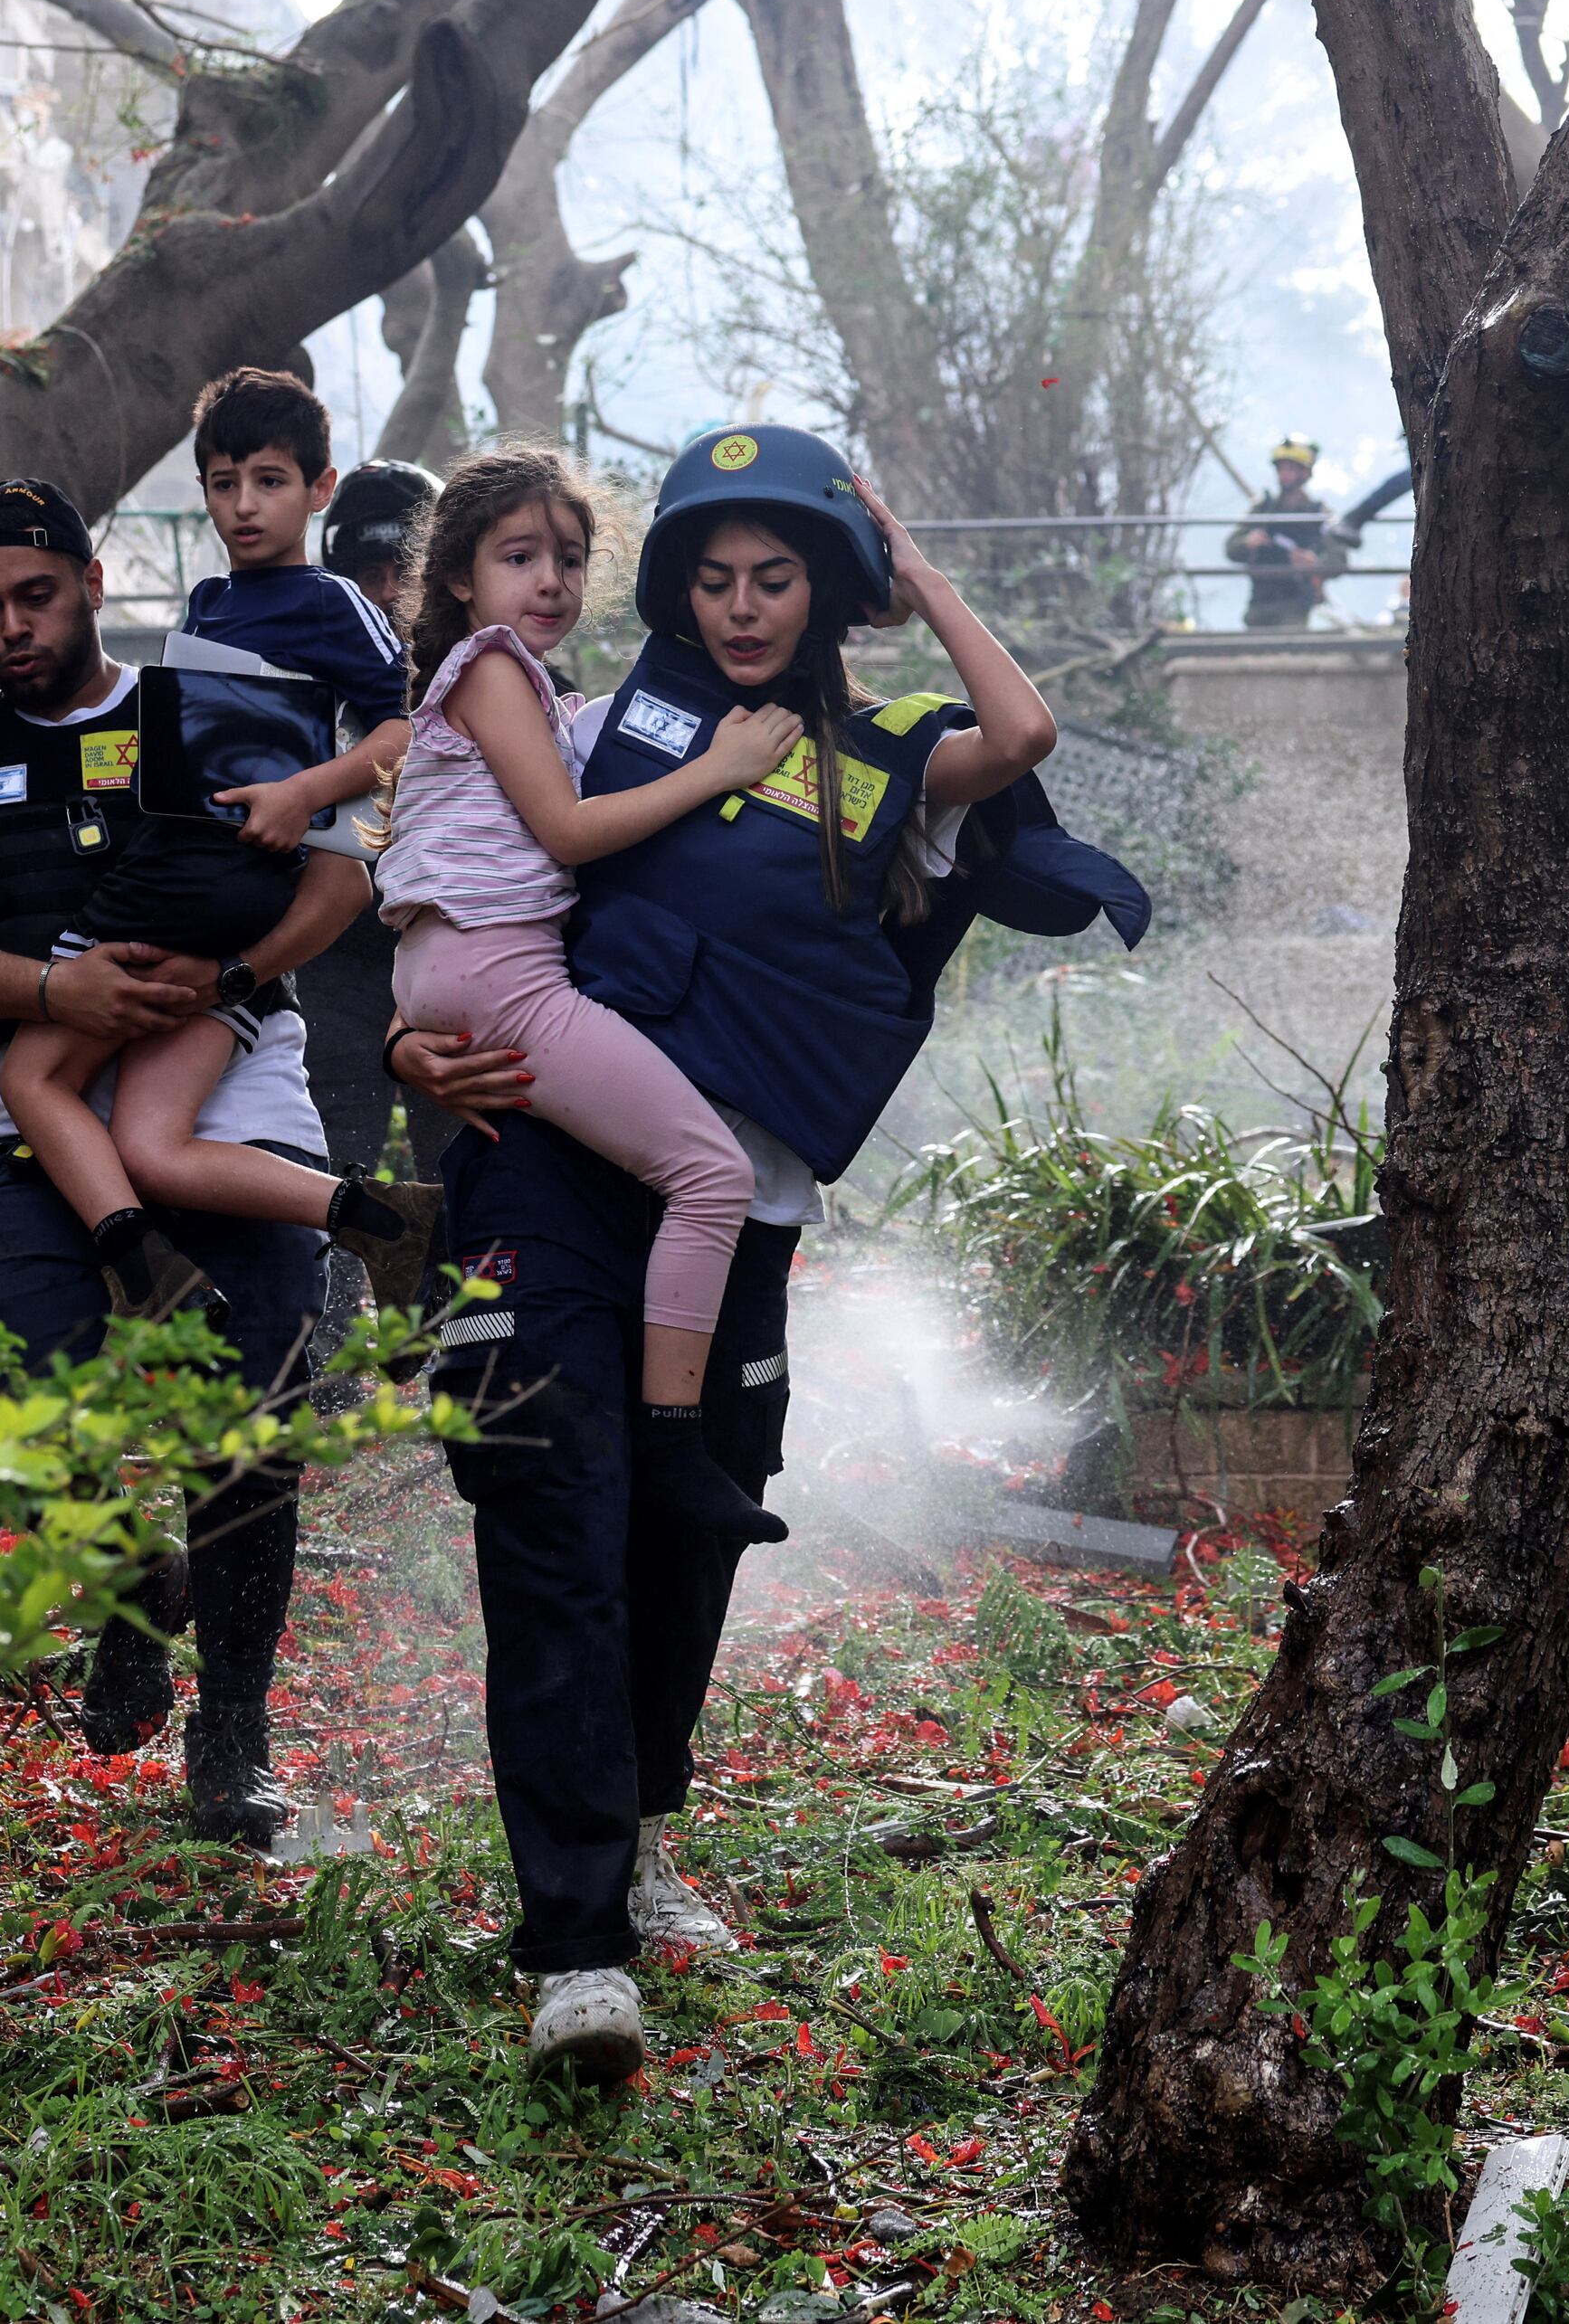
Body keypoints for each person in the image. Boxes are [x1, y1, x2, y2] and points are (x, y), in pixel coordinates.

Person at [386, 425, 1153, 2078]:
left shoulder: (887, 763)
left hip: (738, 1218)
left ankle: (643, 1837)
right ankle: (575, 1947)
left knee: (687, 1538)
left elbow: (1019, 732)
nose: (745, 608)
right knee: (555, 1523)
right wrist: (405, 1055)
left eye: (782, 575)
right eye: (717, 577)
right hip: (547, 1172)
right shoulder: (603, 724)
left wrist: (914, 558)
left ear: (830, 590)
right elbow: (463, 878)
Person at [0, 474, 374, 1845]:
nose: (15, 628)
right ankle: (131, 1576)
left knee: (249, 1418)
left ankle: (236, 1741)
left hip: (235, 1110)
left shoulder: (200, 701)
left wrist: (236, 969)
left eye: (37, 595)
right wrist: (54, 992)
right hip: (40, 1133)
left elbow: (342, 875)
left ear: (94, 577)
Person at [376, 447, 804, 1542]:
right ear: (461, 577)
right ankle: (673, 1440)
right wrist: (721, 765)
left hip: (454, 971)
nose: (551, 579)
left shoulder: (522, 688)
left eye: (568, 557)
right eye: (519, 556)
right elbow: (567, 832)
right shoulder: (490, 669)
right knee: (710, 1173)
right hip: (499, 968)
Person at [0, 373, 439, 1317]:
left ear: (319, 489)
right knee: (154, 1142)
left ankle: (137, 1264)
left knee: (30, 1076)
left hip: (202, 883)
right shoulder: (204, 601)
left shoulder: (328, 601)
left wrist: (306, 792)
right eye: (223, 482)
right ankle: (380, 1219)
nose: (243, 504)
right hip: (210, 901)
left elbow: (411, 729)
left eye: (268, 481)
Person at [299, 459, 440, 1196]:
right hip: (334, 971)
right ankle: (323, 1311)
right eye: (366, 572)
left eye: (407, 568)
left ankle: (463, 1315)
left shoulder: (513, 685)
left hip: (458, 972)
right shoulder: (296, 695)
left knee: (466, 1180)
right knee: (325, 1178)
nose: (388, 591)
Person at [1225, 435, 1334, 629]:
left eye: (1291, 469)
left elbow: (1338, 558)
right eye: (1281, 468)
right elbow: (1231, 548)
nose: (1284, 475)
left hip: (1294, 604)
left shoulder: (1318, 513)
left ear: (1305, 473)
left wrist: (1314, 562)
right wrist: (1248, 542)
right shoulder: (1262, 509)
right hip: (1259, 602)